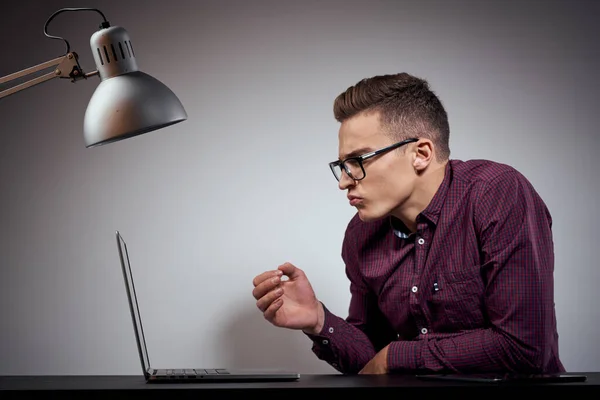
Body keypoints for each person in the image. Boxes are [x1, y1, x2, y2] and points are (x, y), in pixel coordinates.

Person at [251, 72, 565, 375]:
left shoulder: (496, 194)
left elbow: (524, 347)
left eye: (358, 161)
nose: (344, 182)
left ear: (421, 153)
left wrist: (398, 356)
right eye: (342, 166)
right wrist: (318, 320)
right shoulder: (360, 234)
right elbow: (370, 359)